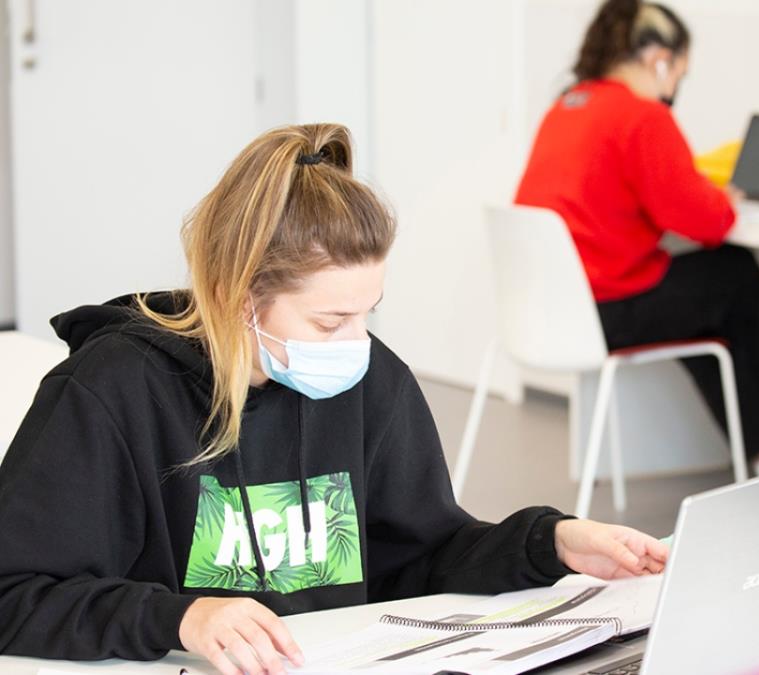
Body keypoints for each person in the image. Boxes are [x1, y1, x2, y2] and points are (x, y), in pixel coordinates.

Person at [0, 124, 669, 675]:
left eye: (367, 313)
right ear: (241, 298)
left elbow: (417, 555)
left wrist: (549, 541)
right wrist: (182, 615)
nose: (357, 343)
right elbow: (15, 593)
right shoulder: (112, 391)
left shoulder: (371, 382)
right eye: (328, 322)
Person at [515, 0, 759, 476]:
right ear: (659, 60)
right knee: (731, 273)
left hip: (551, 307)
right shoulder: (641, 116)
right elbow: (709, 223)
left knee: (715, 311)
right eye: (679, 75)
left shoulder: (568, 105)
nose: (674, 89)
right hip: (604, 310)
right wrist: (723, 197)